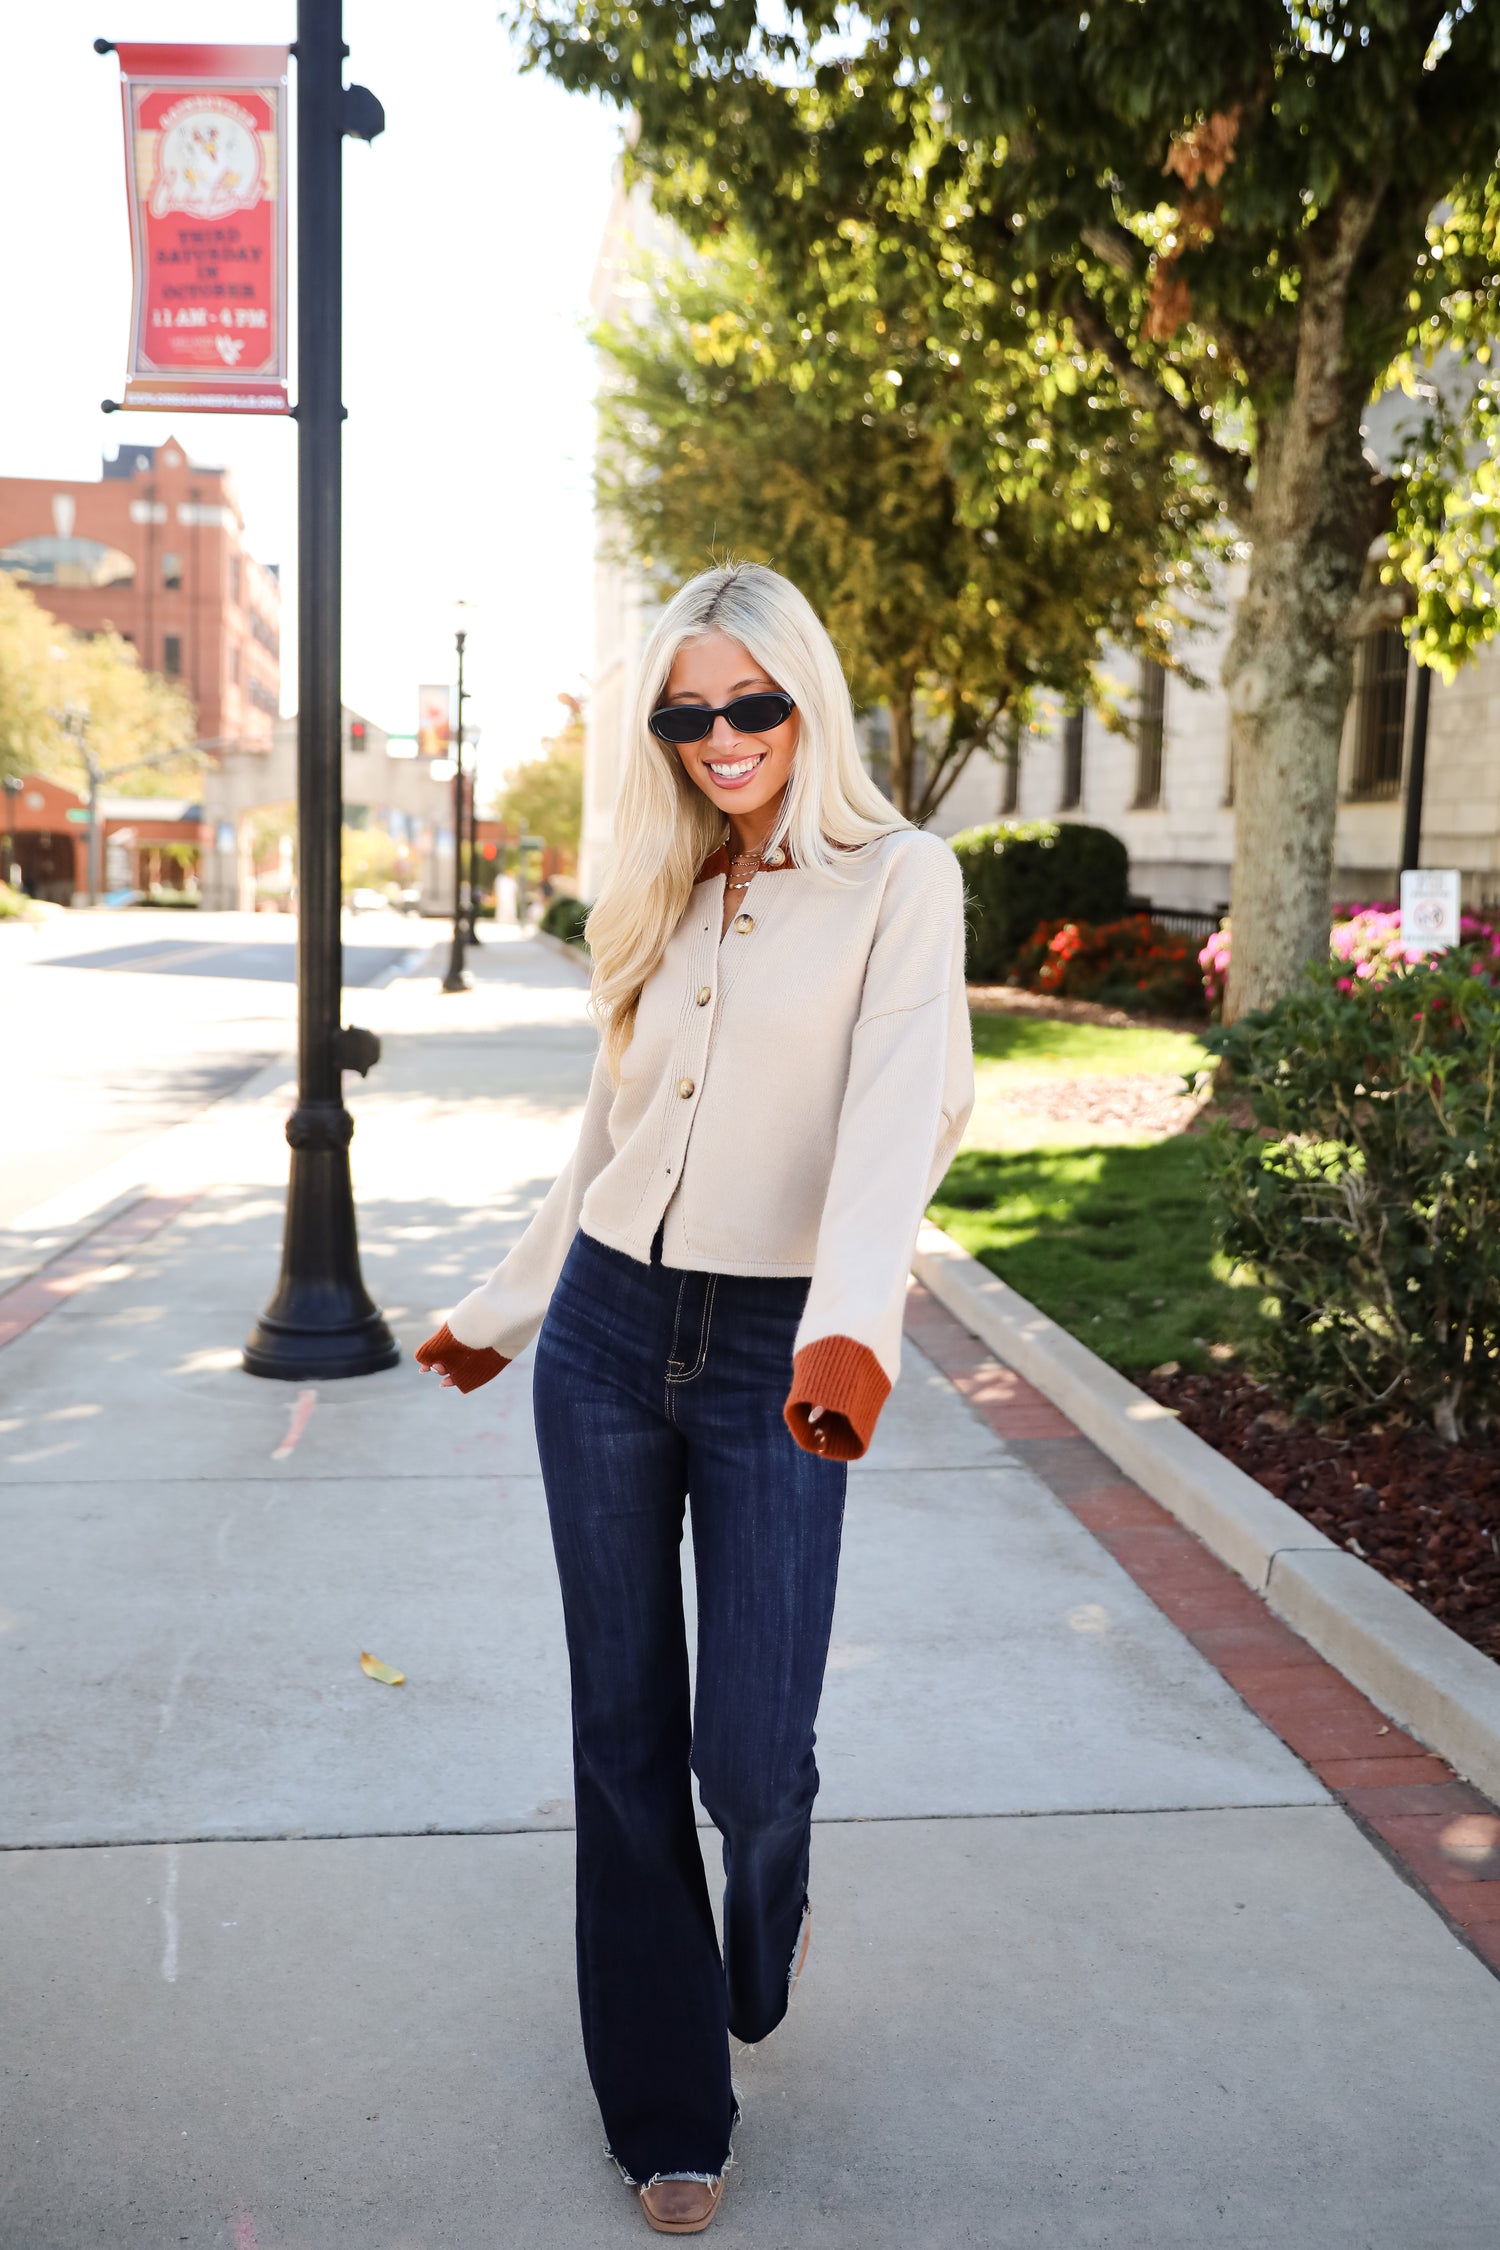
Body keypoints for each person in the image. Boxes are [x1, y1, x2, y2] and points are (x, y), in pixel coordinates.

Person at [416, 562, 972, 2234]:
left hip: (777, 1349)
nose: (720, 737)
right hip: (605, 1330)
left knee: (750, 1749)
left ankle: (772, 1892)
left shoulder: (900, 879)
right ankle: (668, 2106)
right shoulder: (659, 885)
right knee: (622, 1732)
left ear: (806, 697)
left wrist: (850, 1333)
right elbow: (612, 1136)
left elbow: (903, 1116)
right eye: (685, 711)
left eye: (750, 703)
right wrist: (506, 1308)